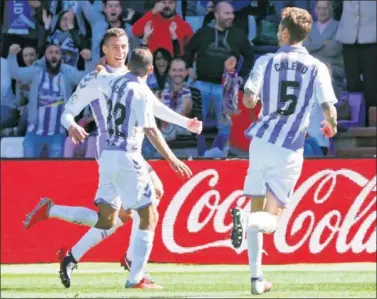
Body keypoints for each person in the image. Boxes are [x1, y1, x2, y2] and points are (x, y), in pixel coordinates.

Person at [23, 33, 201, 287]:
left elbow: (152, 106)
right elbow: (68, 111)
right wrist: (71, 124)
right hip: (112, 148)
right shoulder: (97, 77)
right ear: (104, 49)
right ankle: (131, 264)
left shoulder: (130, 75)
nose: (121, 51)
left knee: (118, 214)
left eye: (125, 46)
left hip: (128, 149)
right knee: (141, 208)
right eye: (115, 47)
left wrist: (186, 122)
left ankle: (69, 242)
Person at [230, 7, 338, 295]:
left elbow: (250, 101)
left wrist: (250, 94)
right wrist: (331, 125)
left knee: (256, 205)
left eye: (279, 27)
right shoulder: (317, 67)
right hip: (289, 147)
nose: (277, 31)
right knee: (271, 216)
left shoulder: (266, 60)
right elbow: (328, 107)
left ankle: (256, 279)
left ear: (286, 33)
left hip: (261, 142)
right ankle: (247, 220)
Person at [7, 43, 93, 158]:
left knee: (54, 171)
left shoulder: (67, 72)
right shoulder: (36, 71)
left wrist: (88, 61)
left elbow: (86, 79)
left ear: (61, 58)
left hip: (58, 133)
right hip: (34, 133)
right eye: (50, 52)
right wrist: (12, 55)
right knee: (28, 169)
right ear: (44, 57)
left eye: (57, 53)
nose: (54, 55)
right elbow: (15, 73)